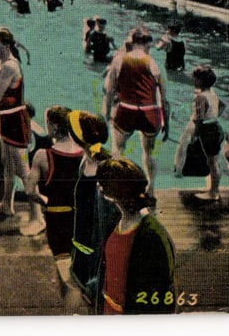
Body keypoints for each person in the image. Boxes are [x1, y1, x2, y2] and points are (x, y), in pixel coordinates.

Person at [97, 157, 176, 314]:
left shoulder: (150, 234)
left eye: (103, 183)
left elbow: (161, 292)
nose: (99, 186)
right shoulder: (116, 221)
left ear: (114, 191)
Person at [26, 106, 85, 307]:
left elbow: (30, 191)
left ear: (54, 127)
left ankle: (72, 311)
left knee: (65, 270)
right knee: (78, 268)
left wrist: (45, 202)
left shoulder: (43, 156)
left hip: (57, 220)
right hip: (80, 219)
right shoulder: (84, 154)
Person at [0, 27, 42, 233]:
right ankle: (6, 205)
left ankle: (38, 217)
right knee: (7, 165)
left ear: (6, 45)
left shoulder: (9, 66)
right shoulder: (2, 63)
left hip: (16, 122)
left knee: (23, 170)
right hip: (6, 119)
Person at [103, 27, 169, 200]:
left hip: (127, 109)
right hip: (150, 112)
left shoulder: (119, 60)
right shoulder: (154, 63)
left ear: (132, 43)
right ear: (147, 44)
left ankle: (117, 189)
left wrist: (107, 115)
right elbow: (164, 99)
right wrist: (167, 125)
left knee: (118, 150)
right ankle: (151, 188)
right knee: (149, 153)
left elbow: (109, 91)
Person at [66, 110, 118, 312]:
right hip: (83, 235)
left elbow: (106, 221)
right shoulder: (85, 159)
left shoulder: (102, 170)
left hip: (97, 239)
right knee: (83, 282)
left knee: (95, 288)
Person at [174, 65, 225, 201]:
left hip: (207, 130)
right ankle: (214, 189)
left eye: (195, 78)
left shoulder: (201, 97)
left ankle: (213, 193)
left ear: (201, 81)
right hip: (215, 126)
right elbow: (222, 106)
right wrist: (213, 115)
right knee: (214, 161)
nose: (193, 81)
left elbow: (199, 119)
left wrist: (195, 136)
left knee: (212, 162)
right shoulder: (212, 93)